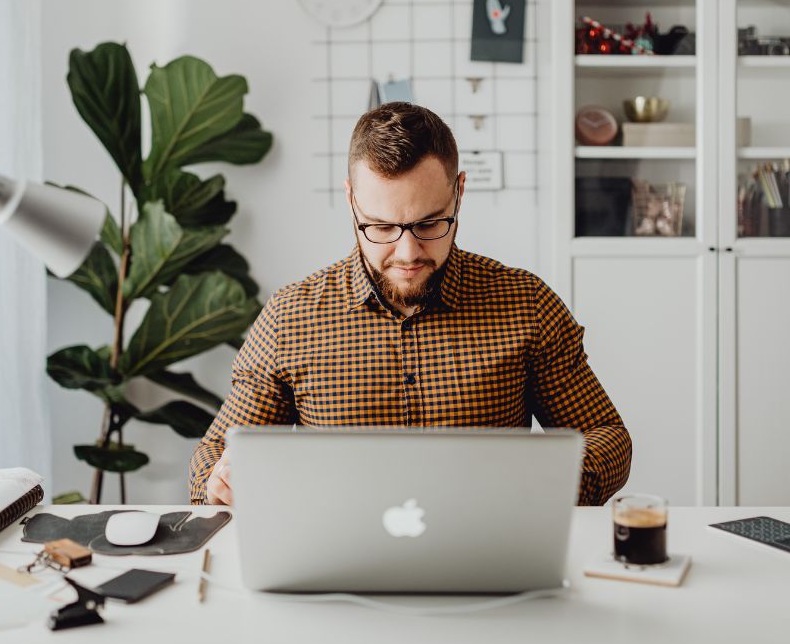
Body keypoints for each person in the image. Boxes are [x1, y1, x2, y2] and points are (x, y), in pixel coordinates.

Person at [189, 103, 631, 506]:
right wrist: (219, 480)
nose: (407, 253)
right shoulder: (291, 318)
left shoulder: (526, 304)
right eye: (380, 227)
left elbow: (608, 437)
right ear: (350, 201)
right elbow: (214, 454)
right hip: (337, 567)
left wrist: (550, 482)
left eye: (429, 223)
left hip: (488, 558)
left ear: (459, 193)